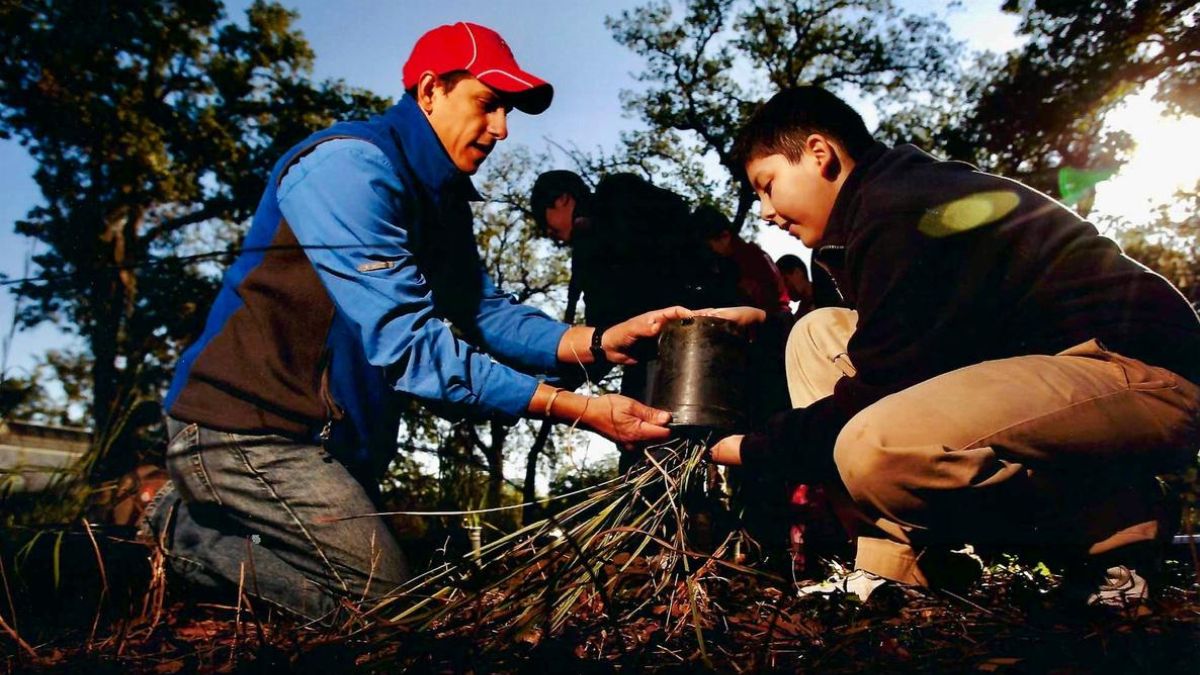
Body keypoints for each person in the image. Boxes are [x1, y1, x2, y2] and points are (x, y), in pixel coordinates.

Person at [142, 22, 690, 623]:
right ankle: (184, 533)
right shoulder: (346, 168)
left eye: (508, 110)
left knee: (358, 600)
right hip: (246, 427)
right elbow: (409, 343)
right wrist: (577, 410)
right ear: (430, 91)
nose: (502, 128)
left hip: (332, 446)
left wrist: (598, 342)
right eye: (487, 103)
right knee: (394, 612)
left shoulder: (443, 201)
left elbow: (480, 311)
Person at [705, 86, 1200, 607]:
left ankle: (1114, 528)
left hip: (1135, 372)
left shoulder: (903, 209)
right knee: (815, 334)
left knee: (872, 447)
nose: (763, 211)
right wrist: (765, 330)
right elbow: (894, 352)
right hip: (1044, 372)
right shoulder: (878, 207)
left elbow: (881, 387)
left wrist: (751, 448)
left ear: (819, 154)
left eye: (767, 186)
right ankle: (899, 565)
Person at [692, 205, 791, 315]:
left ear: (725, 236)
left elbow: (769, 299)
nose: (711, 251)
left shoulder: (751, 258)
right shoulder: (729, 261)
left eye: (710, 246)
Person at [774, 254, 815, 318]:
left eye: (786, 280)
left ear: (797, 272)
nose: (783, 288)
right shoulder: (800, 314)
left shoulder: (828, 295)